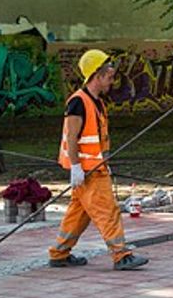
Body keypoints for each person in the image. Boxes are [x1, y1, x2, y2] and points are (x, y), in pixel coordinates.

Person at [51, 49, 148, 271]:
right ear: (97, 76)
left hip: (94, 167)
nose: (112, 81)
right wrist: (76, 167)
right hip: (87, 170)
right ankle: (121, 255)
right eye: (109, 77)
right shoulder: (78, 102)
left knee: (79, 214)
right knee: (108, 211)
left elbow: (98, 140)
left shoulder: (98, 103)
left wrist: (105, 160)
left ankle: (59, 253)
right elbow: (71, 137)